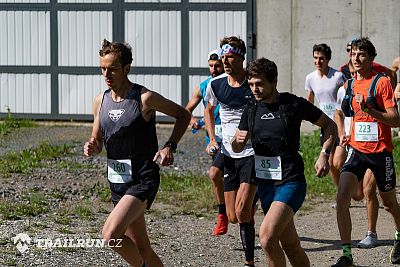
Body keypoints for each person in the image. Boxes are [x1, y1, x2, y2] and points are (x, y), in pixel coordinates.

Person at [83, 39, 190, 267]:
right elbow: (98, 139)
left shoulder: (144, 98)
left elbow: (183, 115)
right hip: (118, 181)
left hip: (143, 178)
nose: (106, 74)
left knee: (110, 236)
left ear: (126, 69)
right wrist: (92, 146)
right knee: (142, 247)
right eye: (102, 68)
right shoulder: (100, 101)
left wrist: (170, 145)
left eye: (112, 68)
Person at [231, 57, 337, 267]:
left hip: (291, 181)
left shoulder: (293, 104)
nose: (255, 89)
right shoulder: (251, 109)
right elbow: (236, 147)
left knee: (267, 238)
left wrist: (324, 153)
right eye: (251, 84)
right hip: (266, 185)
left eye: (260, 84)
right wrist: (237, 141)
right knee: (291, 245)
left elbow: (330, 125)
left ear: (274, 81)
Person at [332, 37, 400, 267]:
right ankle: (346, 254)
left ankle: (399, 236)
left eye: (361, 55)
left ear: (371, 59)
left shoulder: (381, 83)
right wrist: (343, 134)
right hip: (357, 151)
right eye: (353, 54)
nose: (356, 58)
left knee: (390, 204)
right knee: (342, 197)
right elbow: (342, 113)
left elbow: (395, 120)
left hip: (381, 153)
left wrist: (370, 109)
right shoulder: (348, 85)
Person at [204, 36, 257, 267]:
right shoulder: (216, 85)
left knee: (243, 212)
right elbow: (208, 110)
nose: (225, 61)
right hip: (227, 153)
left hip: (250, 154)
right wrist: (212, 139)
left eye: (230, 57)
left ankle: (249, 262)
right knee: (234, 215)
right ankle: (235, 210)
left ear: (241, 58)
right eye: (223, 56)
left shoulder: (253, 84)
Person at [336, 58, 380, 249]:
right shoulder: (345, 88)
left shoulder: (376, 86)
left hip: (375, 147)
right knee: (354, 192)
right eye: (352, 73)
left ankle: (371, 233)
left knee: (370, 190)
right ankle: (346, 251)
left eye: (357, 72)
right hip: (353, 145)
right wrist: (342, 133)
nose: (355, 75)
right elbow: (338, 113)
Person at [185, 49, 228, 236]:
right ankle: (222, 214)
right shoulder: (203, 87)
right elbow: (186, 110)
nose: (214, 69)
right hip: (214, 141)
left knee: (227, 175)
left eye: (217, 65)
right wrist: (192, 121)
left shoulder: (232, 84)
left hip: (235, 140)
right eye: (211, 66)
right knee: (216, 174)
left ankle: (245, 205)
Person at [305, 43, 345, 188]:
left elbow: (345, 99)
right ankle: (341, 194)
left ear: (328, 59)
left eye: (321, 58)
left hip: (340, 123)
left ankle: (352, 184)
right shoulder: (310, 78)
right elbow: (309, 101)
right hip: (325, 125)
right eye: (315, 58)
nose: (318, 61)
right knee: (331, 164)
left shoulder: (338, 77)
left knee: (337, 163)